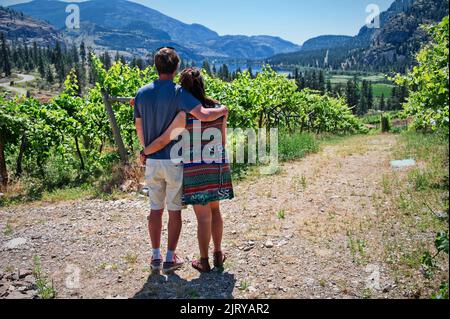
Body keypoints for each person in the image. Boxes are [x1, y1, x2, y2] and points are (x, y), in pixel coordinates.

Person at [134, 48, 228, 275]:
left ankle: (165, 256)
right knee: (196, 211)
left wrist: (146, 151)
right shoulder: (194, 101)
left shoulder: (147, 96)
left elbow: (147, 130)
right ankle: (196, 254)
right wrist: (224, 109)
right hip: (196, 162)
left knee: (161, 210)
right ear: (175, 68)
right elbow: (216, 132)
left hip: (172, 163)